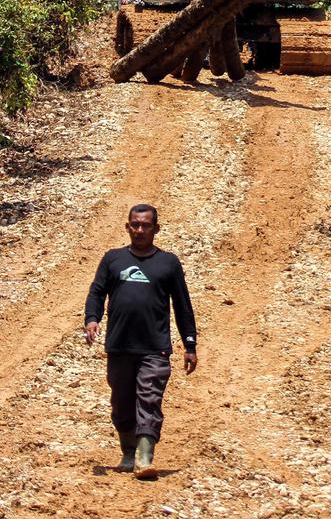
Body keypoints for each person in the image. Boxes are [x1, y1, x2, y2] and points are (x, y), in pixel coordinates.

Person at [84, 204, 198, 479]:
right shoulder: (113, 259)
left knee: (149, 399)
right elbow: (97, 292)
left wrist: (190, 344)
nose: (139, 230)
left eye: (146, 225)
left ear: (156, 229)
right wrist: (92, 319)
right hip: (119, 345)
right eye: (135, 224)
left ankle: (145, 457)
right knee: (122, 402)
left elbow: (183, 305)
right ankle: (128, 452)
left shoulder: (168, 263)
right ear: (127, 227)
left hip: (154, 347)